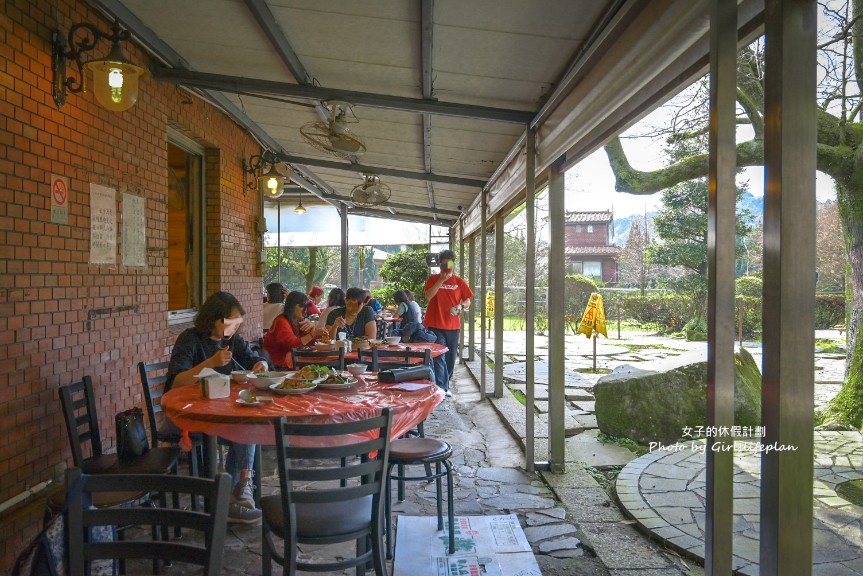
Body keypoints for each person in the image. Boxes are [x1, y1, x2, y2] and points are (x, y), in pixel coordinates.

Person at [165, 291, 268, 524]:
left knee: (244, 422)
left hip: (222, 410)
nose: (234, 327)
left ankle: (234, 493)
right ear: (214, 318)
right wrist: (210, 363)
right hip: (189, 414)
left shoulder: (231, 340)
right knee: (243, 426)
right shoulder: (190, 339)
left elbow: (253, 358)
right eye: (230, 321)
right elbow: (176, 382)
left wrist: (261, 362)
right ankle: (234, 493)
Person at [424, 250, 474, 395]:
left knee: (450, 357)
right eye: (443, 263)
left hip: (452, 325)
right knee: (439, 355)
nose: (446, 266)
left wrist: (461, 306)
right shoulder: (433, 279)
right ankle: (441, 387)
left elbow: (468, 300)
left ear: (453, 264)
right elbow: (428, 296)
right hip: (434, 323)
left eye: (449, 263)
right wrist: (441, 280)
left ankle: (446, 383)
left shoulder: (459, 282)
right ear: (439, 264)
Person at [264, 291, 329, 368]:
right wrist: (313, 333)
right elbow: (293, 345)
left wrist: (314, 329)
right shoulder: (281, 322)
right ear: (292, 306)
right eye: (302, 306)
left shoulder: (296, 321)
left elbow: (308, 342)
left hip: (291, 362)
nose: (306, 310)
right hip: (276, 366)